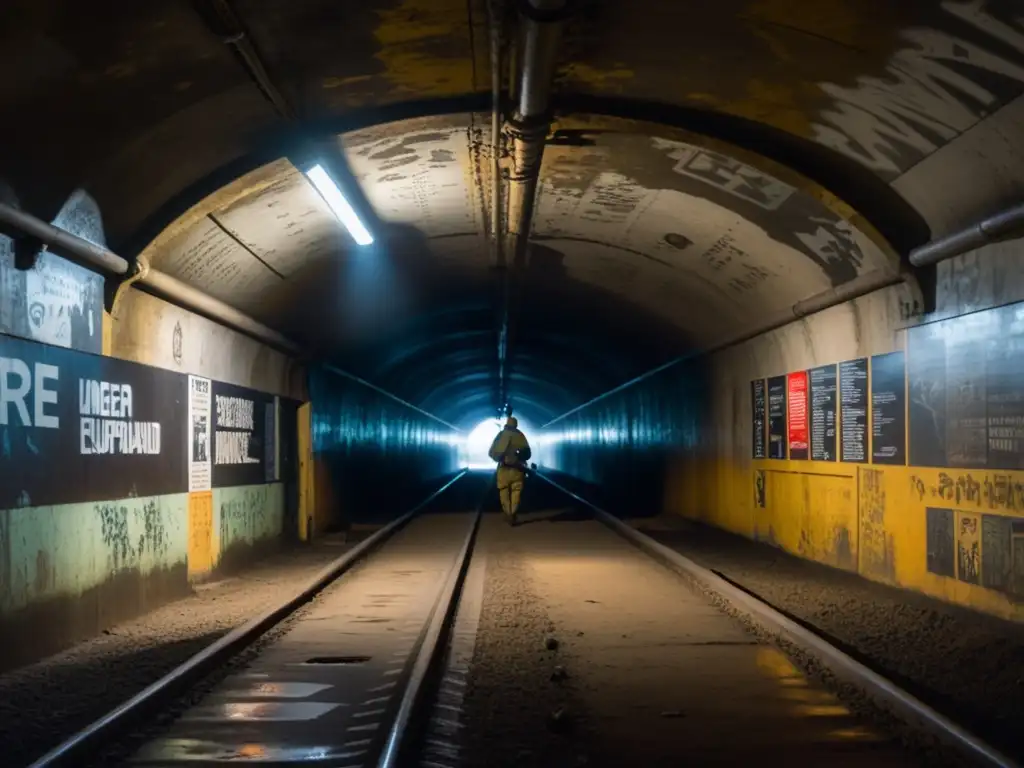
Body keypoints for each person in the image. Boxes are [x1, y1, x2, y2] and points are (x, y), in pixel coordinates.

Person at [488, 416, 531, 526]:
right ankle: (513, 512)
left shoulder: (501, 435)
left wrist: (500, 458)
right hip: (518, 470)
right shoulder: (521, 436)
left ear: (507, 424)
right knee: (516, 492)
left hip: (503, 469)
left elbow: (492, 452)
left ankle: (508, 513)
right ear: (516, 425)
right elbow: (528, 454)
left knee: (504, 491)